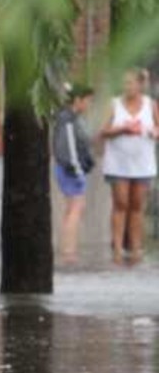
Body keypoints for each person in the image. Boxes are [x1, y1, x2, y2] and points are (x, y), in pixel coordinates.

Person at [99, 69, 158, 264]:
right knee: (121, 203)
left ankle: (135, 247)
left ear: (140, 85)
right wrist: (122, 129)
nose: (128, 87)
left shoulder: (151, 105)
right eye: (125, 83)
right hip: (118, 164)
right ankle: (117, 247)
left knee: (137, 205)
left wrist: (153, 132)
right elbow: (102, 131)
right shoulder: (114, 105)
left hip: (143, 164)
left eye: (132, 83)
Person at [52, 83, 96, 264]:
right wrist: (77, 170)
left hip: (71, 168)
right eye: (88, 101)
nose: (89, 105)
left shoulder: (73, 118)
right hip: (70, 169)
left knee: (73, 209)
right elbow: (68, 148)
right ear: (78, 100)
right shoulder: (68, 119)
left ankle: (68, 249)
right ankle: (68, 252)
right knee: (75, 209)